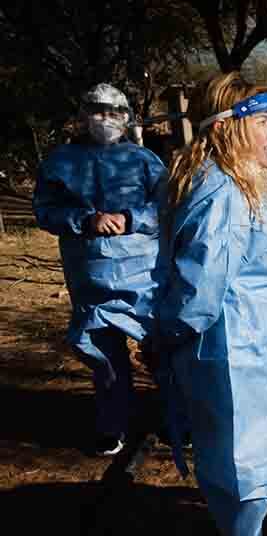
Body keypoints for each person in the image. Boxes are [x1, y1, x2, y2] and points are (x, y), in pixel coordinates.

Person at [155, 72, 267, 536]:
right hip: (231, 356)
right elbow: (198, 291)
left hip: (250, 351)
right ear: (233, 126)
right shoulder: (223, 191)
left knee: (241, 466)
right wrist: (166, 340)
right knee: (244, 472)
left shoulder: (239, 183)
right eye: (264, 120)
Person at [34, 83, 166, 456]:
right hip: (89, 275)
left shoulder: (145, 161)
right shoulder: (59, 162)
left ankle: (178, 420)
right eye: (96, 110)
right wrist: (85, 220)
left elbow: (168, 207)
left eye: (114, 112)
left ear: (127, 118)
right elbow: (45, 210)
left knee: (161, 348)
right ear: (82, 115)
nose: (104, 119)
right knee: (102, 353)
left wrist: (130, 219)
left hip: (145, 276)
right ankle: (113, 425)